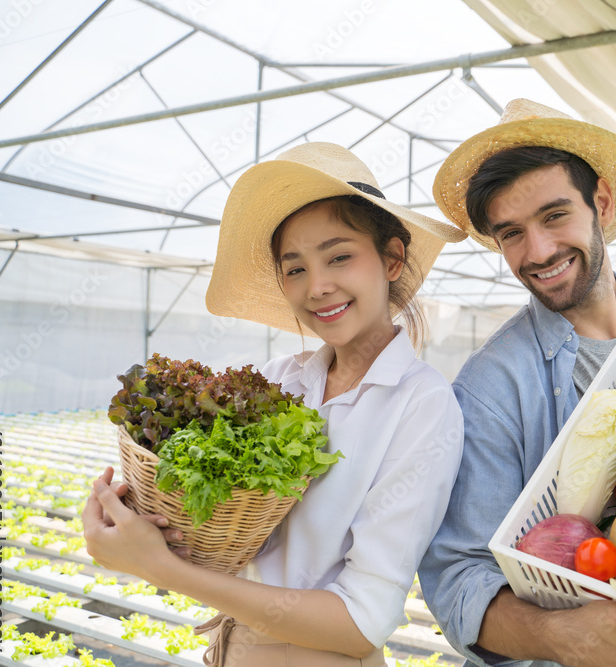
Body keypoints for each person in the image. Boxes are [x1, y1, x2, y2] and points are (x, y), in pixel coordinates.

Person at [83, 142, 467, 666]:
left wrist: (161, 569)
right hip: (232, 644)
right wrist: (127, 523)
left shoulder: (422, 404)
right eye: (295, 269)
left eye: (339, 257)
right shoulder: (280, 380)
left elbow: (361, 623)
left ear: (392, 259)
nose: (318, 287)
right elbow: (214, 538)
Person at [418, 99, 616, 667]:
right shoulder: (490, 386)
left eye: (555, 216)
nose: (538, 252)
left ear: (600, 202)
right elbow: (457, 577)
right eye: (512, 233)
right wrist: (563, 637)